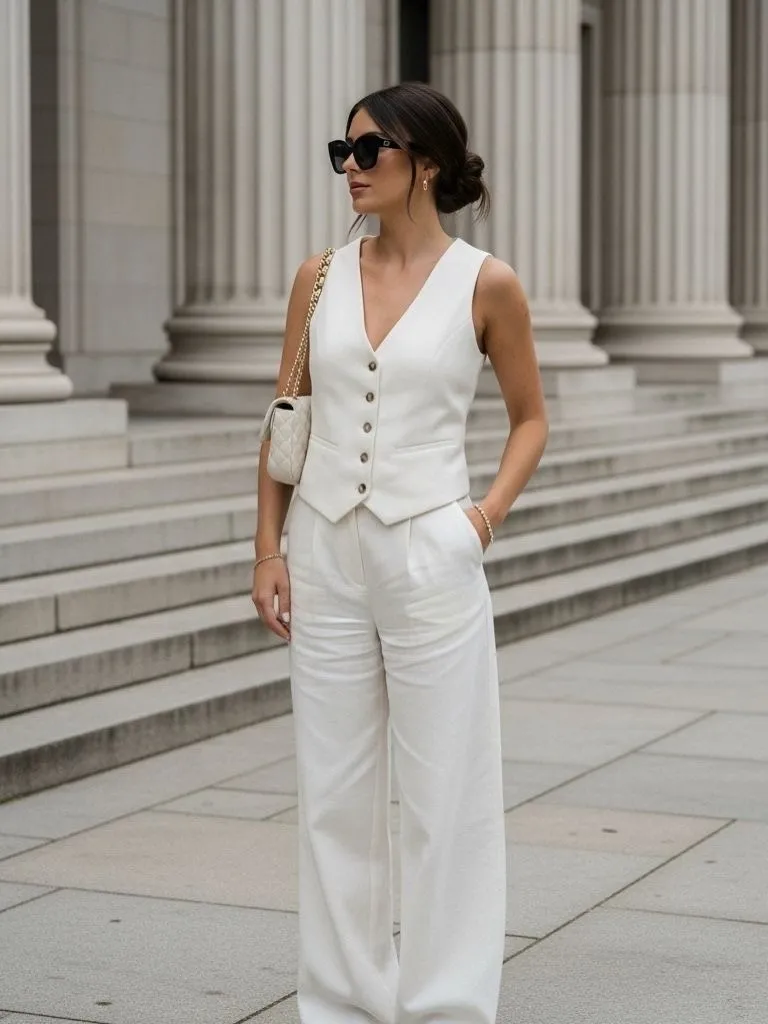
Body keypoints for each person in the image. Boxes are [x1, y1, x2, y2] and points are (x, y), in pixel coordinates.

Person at [252, 81, 548, 1024]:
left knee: (444, 796)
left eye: (367, 151)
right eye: (339, 153)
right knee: (333, 795)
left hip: (432, 550)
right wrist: (268, 546)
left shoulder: (486, 282)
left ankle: (446, 1007)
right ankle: (340, 1006)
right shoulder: (320, 278)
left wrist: (482, 519)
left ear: (423, 162)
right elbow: (285, 419)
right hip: (325, 548)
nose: (349, 168)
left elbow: (532, 420)